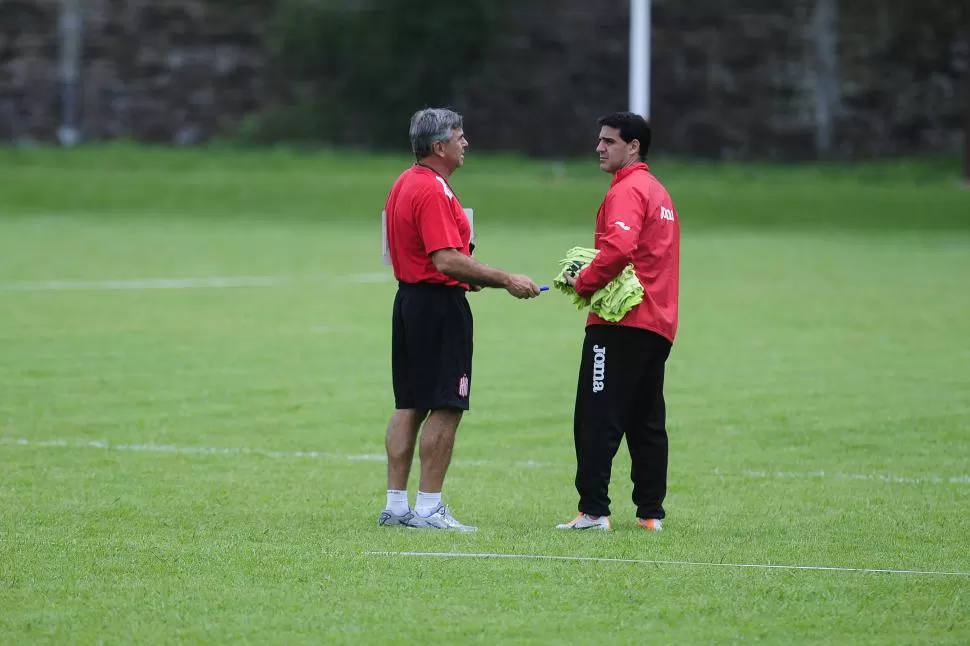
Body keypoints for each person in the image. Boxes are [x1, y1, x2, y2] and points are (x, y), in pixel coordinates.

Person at [378, 107, 541, 532]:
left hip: (410, 301)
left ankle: (396, 505)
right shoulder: (432, 190)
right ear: (439, 146)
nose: (465, 142)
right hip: (436, 307)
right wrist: (505, 279)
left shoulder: (404, 182)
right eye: (459, 136)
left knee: (409, 403)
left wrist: (468, 274)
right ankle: (429, 509)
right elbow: (446, 260)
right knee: (448, 404)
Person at [557, 111, 680, 532]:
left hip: (619, 323)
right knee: (647, 420)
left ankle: (593, 511)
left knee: (596, 413)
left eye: (609, 141)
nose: (599, 147)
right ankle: (650, 513)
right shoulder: (660, 193)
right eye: (600, 140)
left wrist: (583, 282)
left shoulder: (629, 189)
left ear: (634, 147)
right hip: (658, 324)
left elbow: (619, 248)